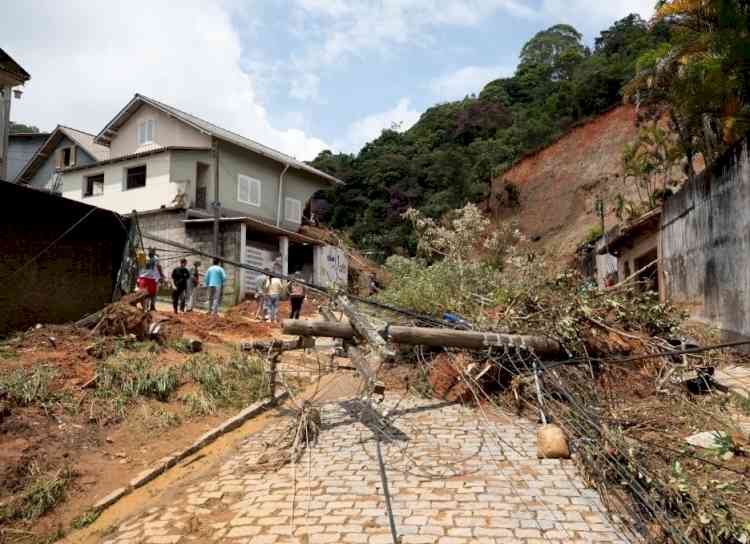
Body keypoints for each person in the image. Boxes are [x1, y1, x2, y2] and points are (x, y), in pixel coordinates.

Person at [137, 248, 164, 312]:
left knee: (151, 293)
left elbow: (159, 267)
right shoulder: (143, 256)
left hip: (151, 278)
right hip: (143, 277)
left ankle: (148, 307)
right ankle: (145, 307)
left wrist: (161, 275)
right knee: (143, 293)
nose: (151, 253)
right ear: (148, 251)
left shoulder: (156, 258)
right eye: (150, 251)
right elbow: (139, 264)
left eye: (153, 252)